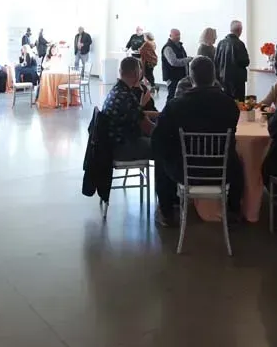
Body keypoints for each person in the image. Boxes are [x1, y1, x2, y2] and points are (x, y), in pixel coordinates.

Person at [151, 56, 244, 227]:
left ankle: (166, 211)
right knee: (238, 158)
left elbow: (158, 139)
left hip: (185, 171)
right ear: (214, 76)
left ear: (191, 77)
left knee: (161, 156)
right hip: (222, 171)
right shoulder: (229, 105)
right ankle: (234, 209)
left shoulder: (176, 106)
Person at [100, 57, 154, 162]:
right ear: (136, 73)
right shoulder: (127, 96)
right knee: (164, 145)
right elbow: (147, 127)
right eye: (140, 70)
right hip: (122, 148)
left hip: (110, 145)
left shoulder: (116, 90)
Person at [215, 20, 250, 100]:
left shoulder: (221, 43)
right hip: (237, 80)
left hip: (222, 79)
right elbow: (245, 61)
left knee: (225, 101)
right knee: (238, 103)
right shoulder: (239, 44)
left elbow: (216, 61)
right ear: (240, 30)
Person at [161, 29, 193, 102]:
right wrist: (187, 59)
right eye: (176, 35)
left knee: (180, 97)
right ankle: (168, 109)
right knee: (172, 97)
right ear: (170, 36)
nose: (178, 37)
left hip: (180, 76)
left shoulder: (179, 46)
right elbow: (173, 62)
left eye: (179, 35)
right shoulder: (168, 48)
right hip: (173, 78)